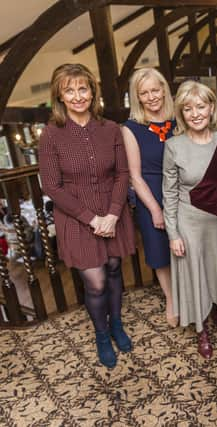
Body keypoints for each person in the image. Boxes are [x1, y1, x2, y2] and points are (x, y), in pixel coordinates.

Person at [38, 63, 136, 368]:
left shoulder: (111, 129)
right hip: (76, 219)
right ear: (60, 96)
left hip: (112, 212)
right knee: (95, 283)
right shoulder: (51, 135)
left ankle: (117, 323)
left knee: (115, 269)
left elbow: (122, 174)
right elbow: (52, 187)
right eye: (70, 90)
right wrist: (92, 219)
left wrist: (112, 214)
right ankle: (102, 334)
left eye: (83, 88)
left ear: (92, 92)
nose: (78, 96)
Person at [162, 81, 217, 359]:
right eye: (188, 108)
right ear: (181, 112)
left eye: (201, 106)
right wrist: (173, 234)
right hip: (189, 222)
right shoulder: (173, 146)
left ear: (211, 108)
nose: (195, 113)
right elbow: (168, 194)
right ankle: (202, 327)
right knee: (197, 274)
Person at [122, 68, 177, 327]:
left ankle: (190, 293)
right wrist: (155, 209)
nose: (152, 96)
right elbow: (135, 176)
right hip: (151, 194)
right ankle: (171, 299)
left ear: (164, 89)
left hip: (181, 194)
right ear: (137, 98)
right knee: (159, 252)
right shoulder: (131, 128)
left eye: (155, 90)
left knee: (185, 248)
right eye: (144, 93)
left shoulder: (180, 119)